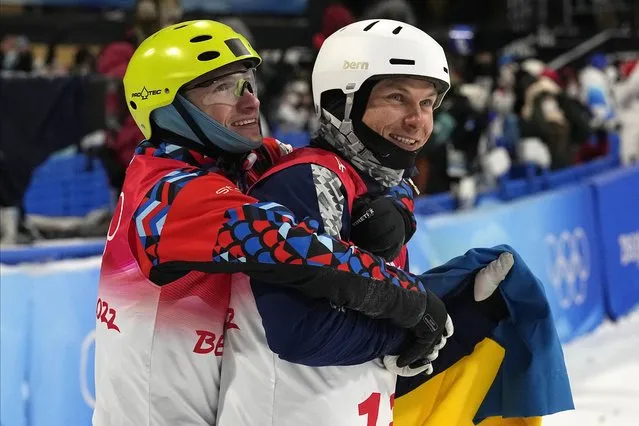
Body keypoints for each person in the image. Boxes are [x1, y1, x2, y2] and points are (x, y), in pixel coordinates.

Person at [92, 20, 454, 425]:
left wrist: (398, 206)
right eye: (221, 88)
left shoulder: (246, 159)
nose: (250, 102)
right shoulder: (166, 196)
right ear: (168, 109)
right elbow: (300, 249)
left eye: (248, 83)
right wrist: (410, 302)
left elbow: (364, 162)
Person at [218, 19, 573, 426]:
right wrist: (416, 325)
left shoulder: (377, 185)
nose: (417, 120)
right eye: (397, 98)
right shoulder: (308, 179)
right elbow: (301, 333)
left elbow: (366, 320)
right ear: (342, 104)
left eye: (426, 104)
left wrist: (459, 310)